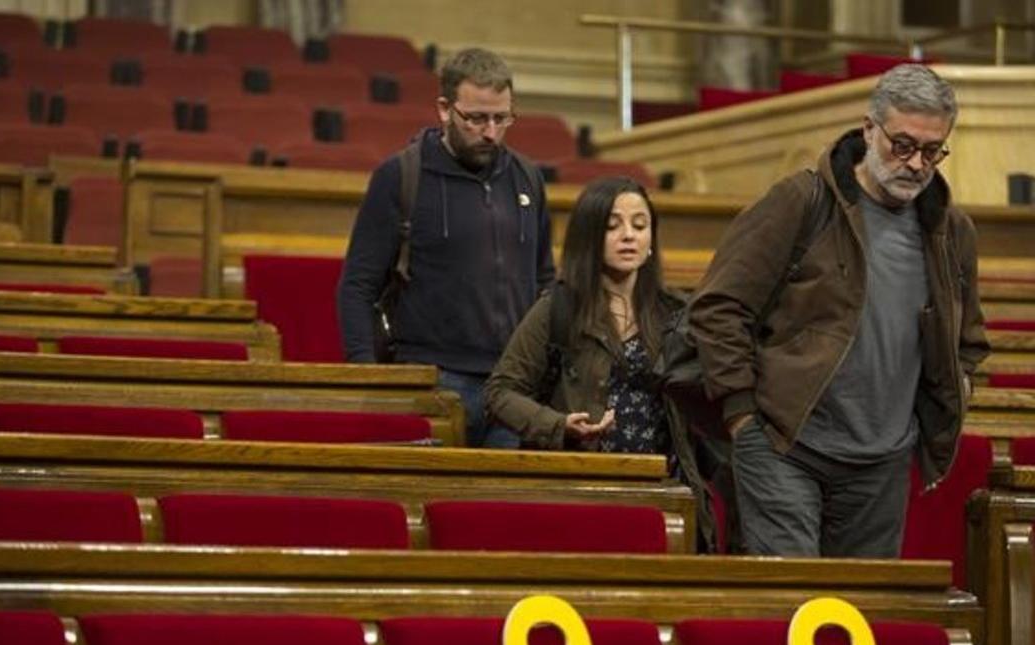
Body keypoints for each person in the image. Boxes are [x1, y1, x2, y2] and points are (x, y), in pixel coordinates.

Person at [688, 64, 990, 558]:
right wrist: (741, 414)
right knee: (793, 609)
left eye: (932, 151)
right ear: (869, 129)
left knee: (861, 618)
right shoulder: (801, 201)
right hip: (784, 445)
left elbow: (968, 339)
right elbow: (719, 306)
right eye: (903, 145)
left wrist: (955, 388)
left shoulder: (952, 232)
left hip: (883, 461)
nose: (916, 163)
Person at [337, 47, 554, 448]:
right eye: (475, 118)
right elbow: (357, 286)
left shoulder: (527, 178)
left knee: (499, 509)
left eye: (501, 118)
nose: (490, 132)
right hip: (431, 380)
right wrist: (365, 377)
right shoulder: (401, 175)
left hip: (512, 387)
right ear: (443, 109)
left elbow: (545, 281)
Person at [485, 176, 716, 549]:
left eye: (640, 225)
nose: (629, 235)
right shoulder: (559, 308)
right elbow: (499, 392)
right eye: (613, 226)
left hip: (663, 490)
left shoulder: (676, 313)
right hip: (584, 486)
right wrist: (559, 425)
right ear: (589, 238)